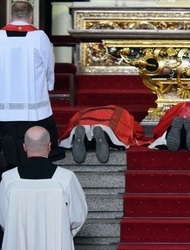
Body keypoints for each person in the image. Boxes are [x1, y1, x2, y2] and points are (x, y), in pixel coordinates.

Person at [0, 126, 88, 250]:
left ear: (24, 147)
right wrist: (61, 234)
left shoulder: (9, 179)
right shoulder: (65, 178)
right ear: (49, 146)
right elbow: (77, 216)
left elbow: (4, 220)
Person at [0, 1, 65, 168]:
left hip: (3, 106)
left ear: (10, 15)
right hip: (32, 108)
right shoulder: (39, 37)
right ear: (31, 16)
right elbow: (49, 64)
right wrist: (50, 84)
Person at [59, 105, 147, 164]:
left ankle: (81, 139)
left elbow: (72, 121)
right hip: (106, 125)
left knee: (85, 131)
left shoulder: (85, 111)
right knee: (111, 135)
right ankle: (103, 137)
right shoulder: (120, 111)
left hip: (83, 121)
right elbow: (135, 130)